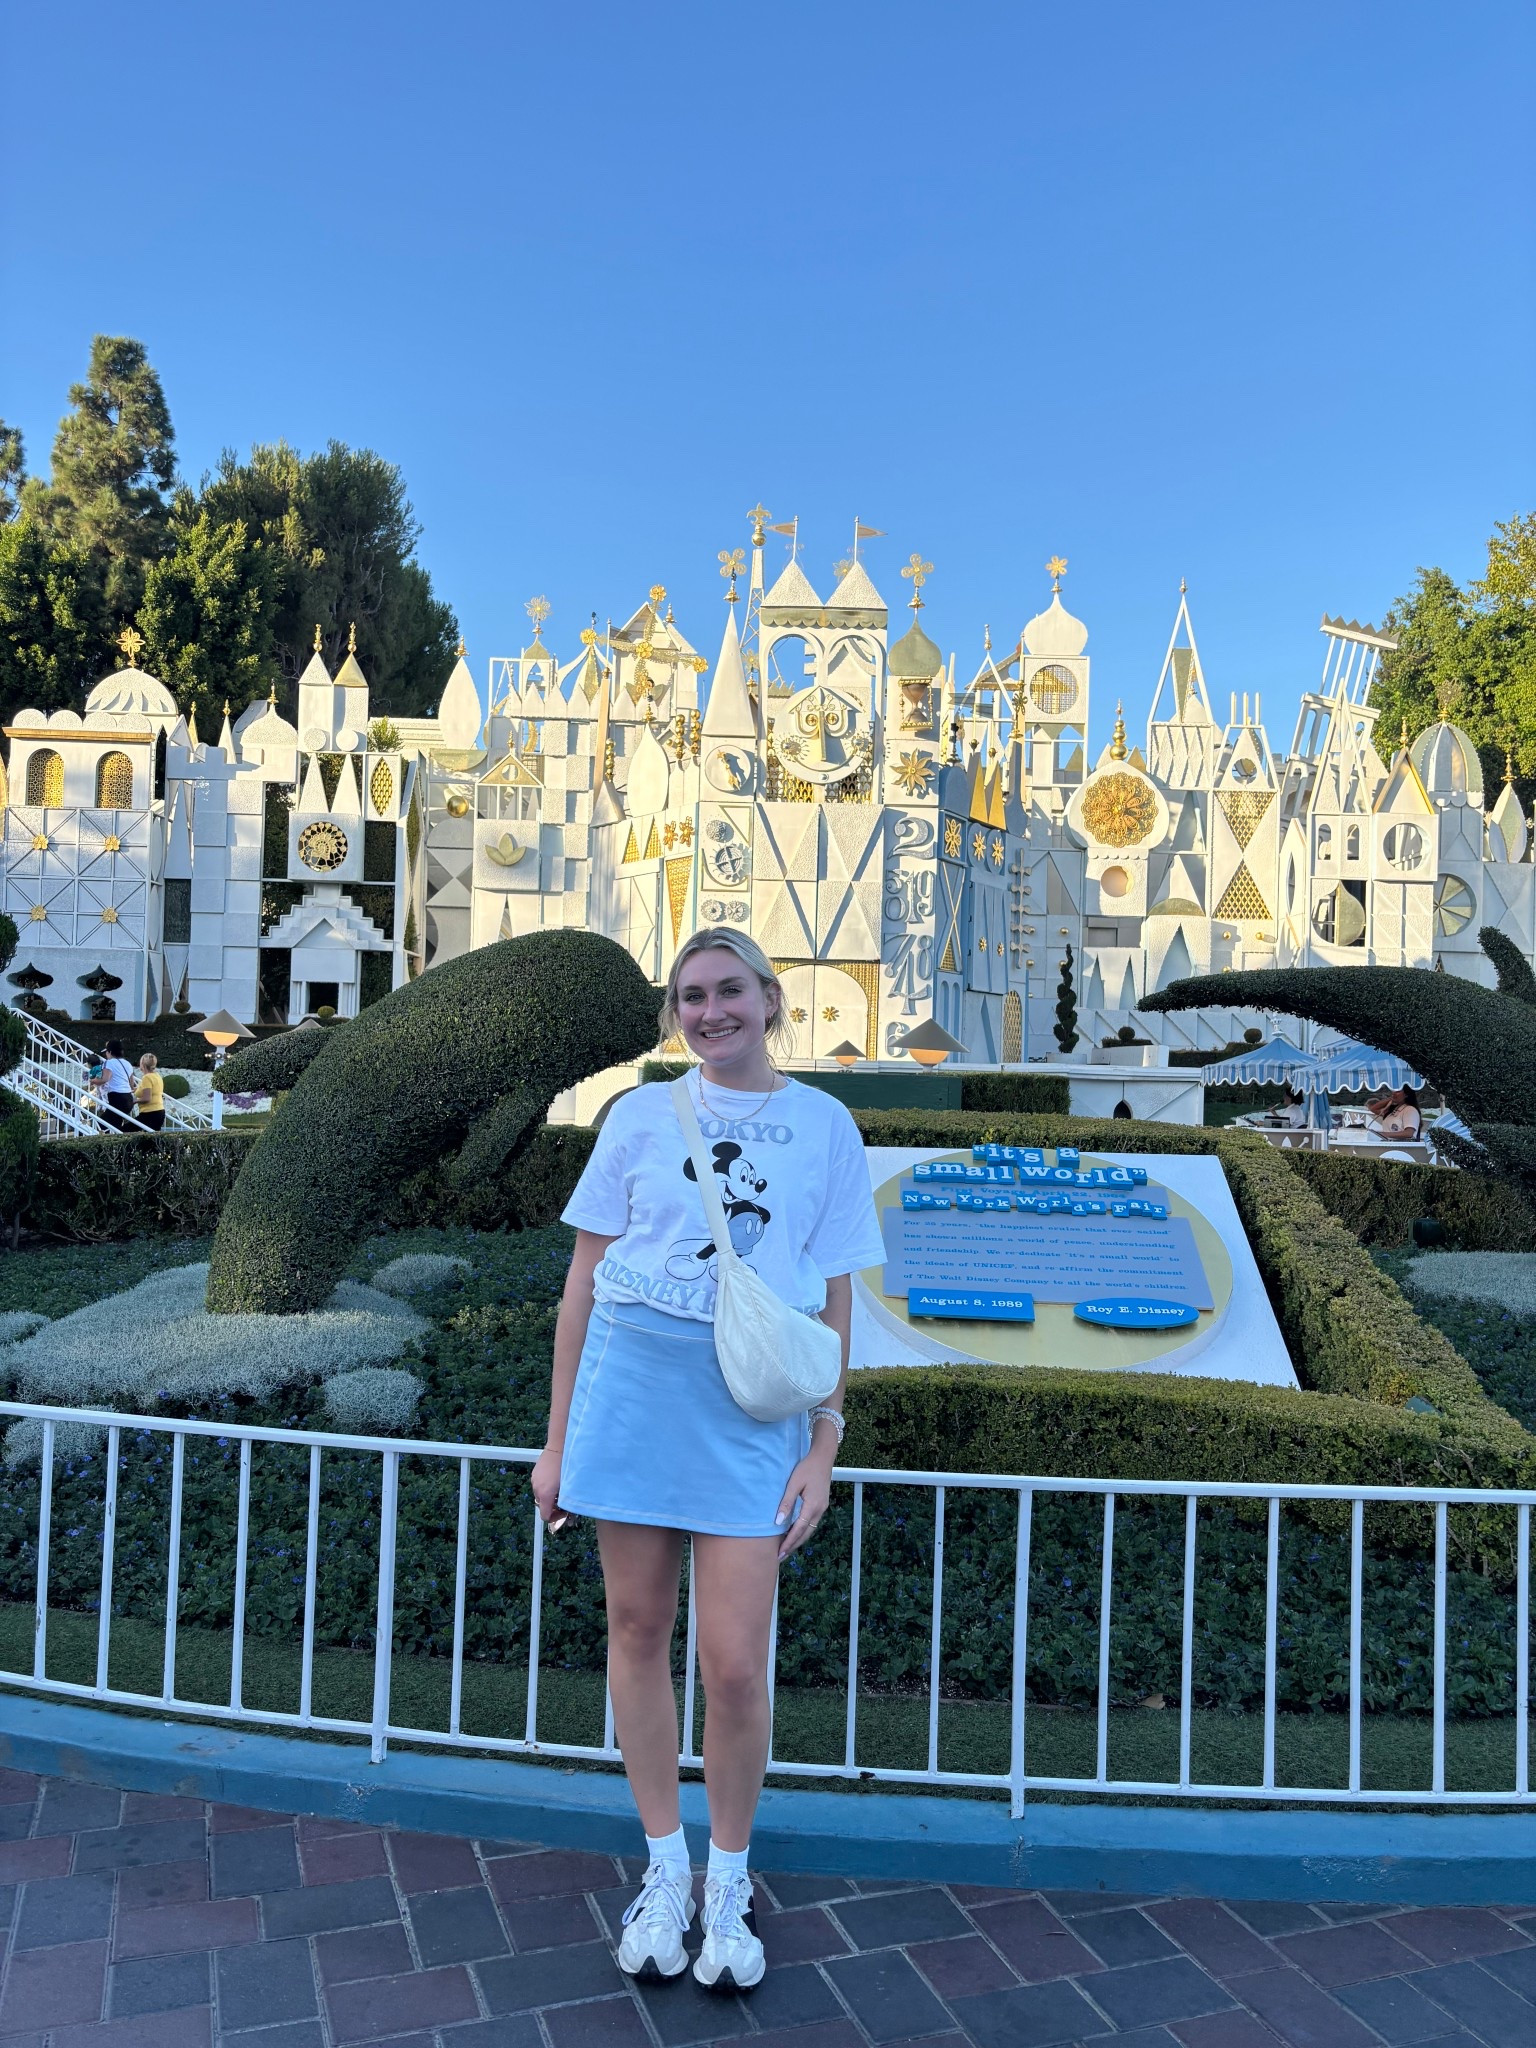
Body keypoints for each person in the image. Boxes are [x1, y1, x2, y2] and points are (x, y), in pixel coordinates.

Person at [533, 928, 884, 1995]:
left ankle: (729, 1874)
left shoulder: (824, 1123)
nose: (710, 1009)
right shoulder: (638, 1114)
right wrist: (556, 1442)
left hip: (749, 1408)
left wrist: (824, 1439)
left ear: (771, 998)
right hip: (633, 1390)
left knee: (734, 1662)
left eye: (730, 989)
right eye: (691, 995)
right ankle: (664, 1865)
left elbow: (835, 1296)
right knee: (637, 1628)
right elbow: (583, 1283)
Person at [100, 1040, 136, 1130]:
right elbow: (132, 1084)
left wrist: (93, 1080)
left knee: (101, 1124)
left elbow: (105, 1079)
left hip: (117, 1099)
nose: (106, 1055)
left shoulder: (109, 1063)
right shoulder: (127, 1063)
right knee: (115, 1122)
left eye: (106, 1052)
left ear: (110, 1052)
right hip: (128, 1099)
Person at [133, 1053, 166, 1132]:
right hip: (159, 1111)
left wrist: (134, 1101)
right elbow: (152, 1090)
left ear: (142, 1064)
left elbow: (147, 1098)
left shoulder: (146, 1078)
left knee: (125, 1130)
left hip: (149, 1113)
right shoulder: (157, 1076)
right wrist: (137, 1090)